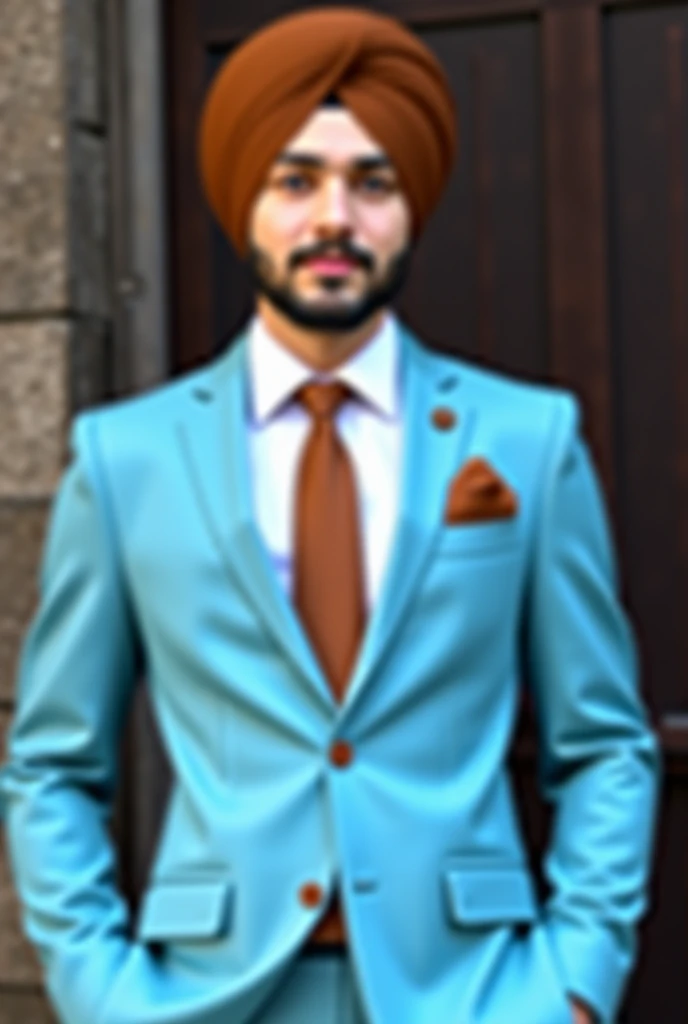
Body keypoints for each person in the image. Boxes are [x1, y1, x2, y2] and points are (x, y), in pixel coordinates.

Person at [0, 7, 660, 1024]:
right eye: (296, 179)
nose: (334, 219)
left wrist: (572, 986)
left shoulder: (527, 439)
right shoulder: (126, 460)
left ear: (409, 208)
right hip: (210, 995)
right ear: (247, 201)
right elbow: (51, 763)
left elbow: (603, 741)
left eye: (372, 182)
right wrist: (102, 992)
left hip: (476, 993)